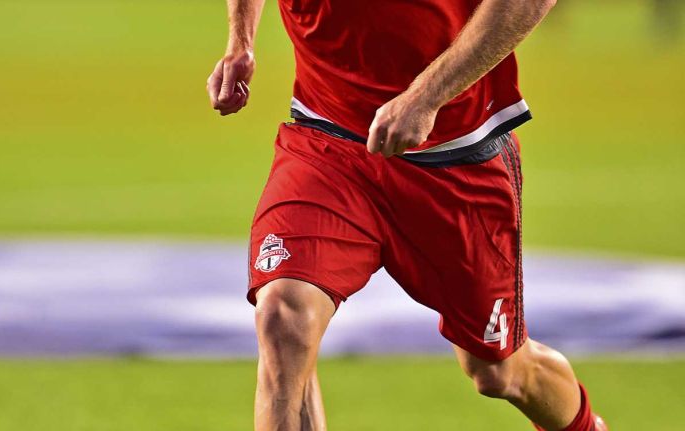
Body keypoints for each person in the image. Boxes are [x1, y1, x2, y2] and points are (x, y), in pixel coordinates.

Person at [206, 0, 607, 430]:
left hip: (456, 156)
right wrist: (241, 41)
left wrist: (426, 96)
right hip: (327, 141)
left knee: (498, 372)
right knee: (283, 317)